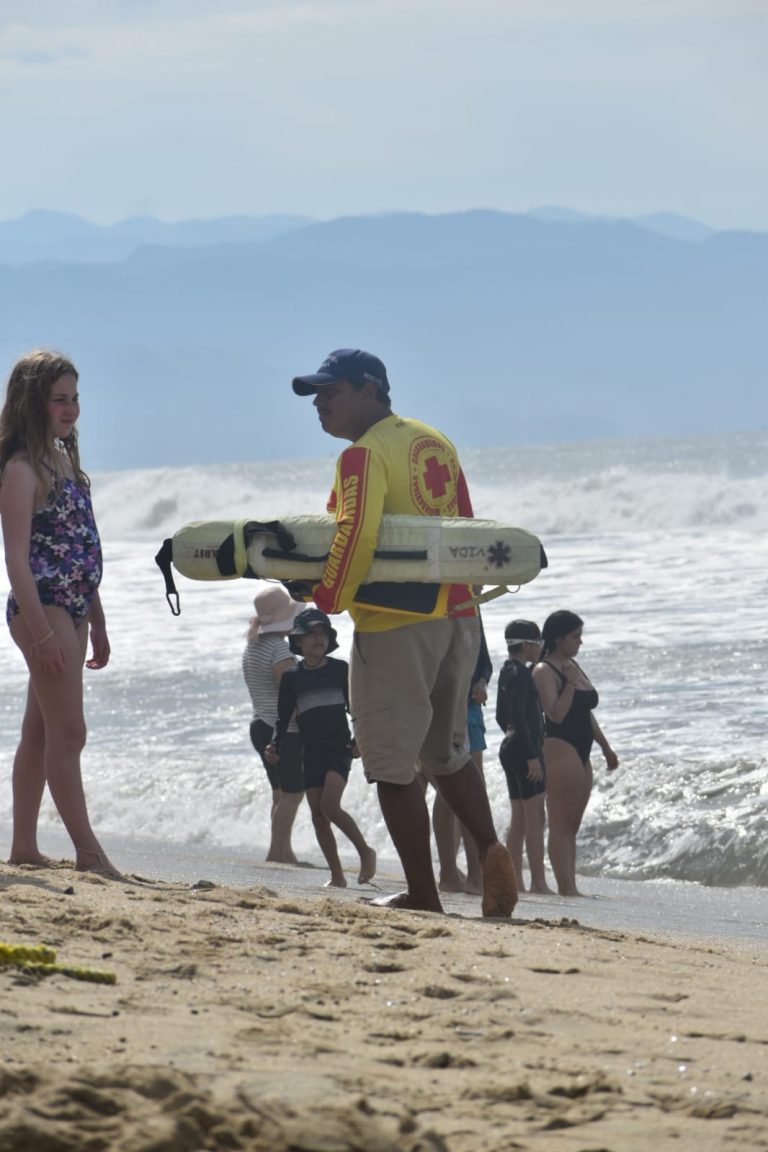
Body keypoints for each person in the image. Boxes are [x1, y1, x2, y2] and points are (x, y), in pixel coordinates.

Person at [290, 348, 516, 916]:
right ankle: (492, 852)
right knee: (445, 753)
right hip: (460, 619)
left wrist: (326, 598)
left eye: (331, 391)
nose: (320, 403)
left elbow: (357, 535)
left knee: (390, 761)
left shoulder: (363, 455)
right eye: (317, 394)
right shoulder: (433, 440)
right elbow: (467, 525)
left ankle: (422, 893)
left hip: (396, 626)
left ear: (370, 390)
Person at [0, 349, 119, 876]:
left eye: (75, 398)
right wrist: (45, 634)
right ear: (34, 403)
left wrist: (96, 618)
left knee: (41, 733)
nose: (70, 408)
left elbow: (80, 544)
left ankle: (23, 845)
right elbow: (17, 559)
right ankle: (89, 853)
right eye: (58, 399)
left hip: (71, 609)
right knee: (70, 734)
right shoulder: (22, 468)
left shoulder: (64, 459)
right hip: (41, 610)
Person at [266, 608, 376, 888]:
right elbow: (283, 715)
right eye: (311, 634)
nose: (318, 639)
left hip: (339, 749)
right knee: (317, 815)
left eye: (323, 633)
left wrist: (358, 741)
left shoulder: (341, 670)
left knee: (330, 806)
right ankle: (337, 875)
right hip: (310, 751)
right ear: (299, 641)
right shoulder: (292, 678)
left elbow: (357, 708)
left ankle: (365, 851)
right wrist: (275, 744)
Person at [532, 610, 619, 896]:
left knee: (573, 824)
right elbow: (555, 714)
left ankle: (571, 885)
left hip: (583, 749)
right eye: (575, 636)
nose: (580, 642)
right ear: (558, 638)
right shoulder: (545, 670)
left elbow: (586, 713)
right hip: (559, 747)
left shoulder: (573, 664)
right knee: (560, 821)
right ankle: (566, 888)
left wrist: (605, 747)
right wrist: (569, 682)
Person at [242, 583, 306, 864]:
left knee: (280, 793)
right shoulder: (280, 651)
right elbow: (288, 698)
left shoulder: (253, 645)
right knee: (293, 794)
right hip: (282, 729)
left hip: (259, 724)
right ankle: (277, 852)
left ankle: (282, 850)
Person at [430, 616, 492, 895]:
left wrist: (482, 681)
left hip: (467, 706)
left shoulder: (470, 608)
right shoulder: (438, 599)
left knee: (464, 788)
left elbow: (484, 660)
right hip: (436, 704)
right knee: (453, 788)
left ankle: (471, 876)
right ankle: (451, 874)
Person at [496, 620, 552, 895]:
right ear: (528, 645)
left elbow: (500, 715)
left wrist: (510, 737)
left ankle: (515, 880)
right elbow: (518, 713)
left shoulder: (507, 671)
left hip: (509, 746)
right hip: (525, 749)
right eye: (538, 642)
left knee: (519, 817)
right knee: (534, 816)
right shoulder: (521, 674)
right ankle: (538, 882)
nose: (541, 647)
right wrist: (530, 753)